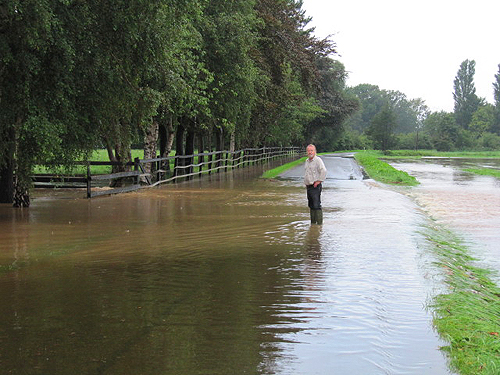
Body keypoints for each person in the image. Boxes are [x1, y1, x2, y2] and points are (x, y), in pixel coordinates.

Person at [304, 144, 327, 224]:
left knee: (316, 205)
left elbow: (323, 171)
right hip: (309, 186)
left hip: (315, 186)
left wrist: (319, 181)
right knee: (311, 205)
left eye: (311, 150)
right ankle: (313, 224)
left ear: (315, 151)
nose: (310, 152)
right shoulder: (307, 161)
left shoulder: (318, 160)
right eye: (308, 150)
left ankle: (319, 225)